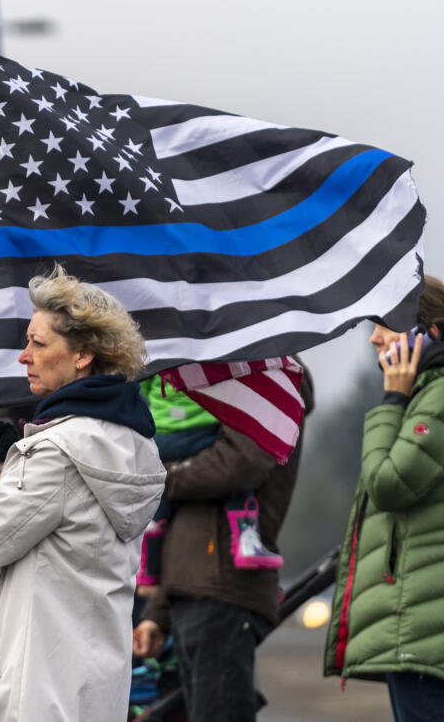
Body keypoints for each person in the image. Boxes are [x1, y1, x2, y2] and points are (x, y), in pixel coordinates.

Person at [0, 265, 166, 722]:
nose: (24, 356)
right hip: (90, 691)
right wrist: (9, 445)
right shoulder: (131, 444)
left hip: (29, 695)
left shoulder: (57, 455)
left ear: (82, 355)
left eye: (37, 343)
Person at [132, 364, 314, 722]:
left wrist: (156, 480)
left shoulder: (270, 369)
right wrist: (158, 613)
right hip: (193, 589)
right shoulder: (223, 369)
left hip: (222, 587)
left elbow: (241, 461)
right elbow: (185, 526)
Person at [324, 275, 444, 722]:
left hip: (424, 633)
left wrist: (391, 401)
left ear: (429, 332)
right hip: (421, 627)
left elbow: (389, 484)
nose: (374, 336)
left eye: (386, 324)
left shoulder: (436, 396)